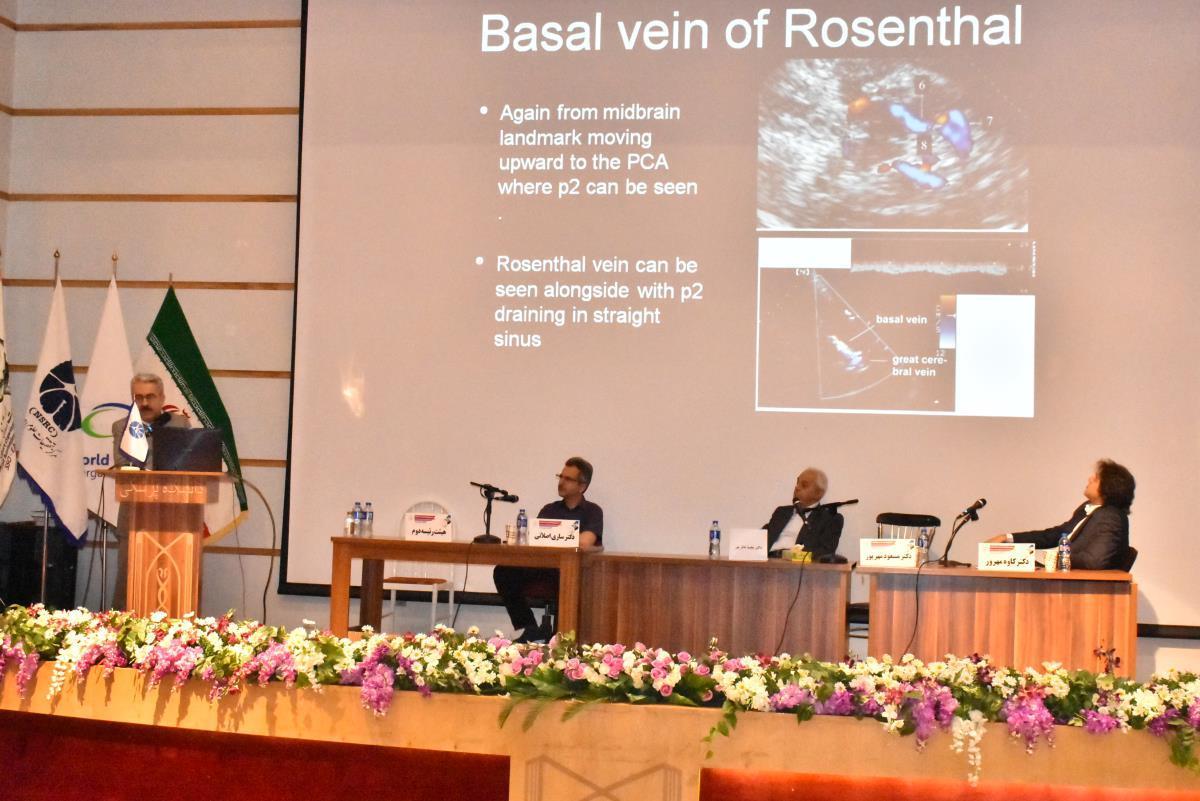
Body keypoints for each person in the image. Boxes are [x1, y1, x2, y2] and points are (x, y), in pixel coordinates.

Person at [493, 456, 602, 643]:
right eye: (561, 476)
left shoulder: (592, 511)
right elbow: (535, 539)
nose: (561, 482)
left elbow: (586, 542)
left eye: (568, 479)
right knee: (504, 571)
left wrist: (558, 536)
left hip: (572, 571)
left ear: (582, 486)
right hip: (544, 567)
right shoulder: (549, 510)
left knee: (567, 578)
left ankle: (560, 638)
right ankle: (528, 628)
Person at [108, 373, 191, 608]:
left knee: (170, 585)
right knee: (128, 585)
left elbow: (187, 462)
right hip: (134, 517)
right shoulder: (122, 427)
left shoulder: (179, 425)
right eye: (139, 397)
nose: (144, 403)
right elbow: (124, 465)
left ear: (162, 398)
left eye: (150, 397)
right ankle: (122, 627)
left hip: (172, 519)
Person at [989, 459, 1135, 570]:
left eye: (1096, 478)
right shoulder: (1088, 508)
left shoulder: (1111, 517)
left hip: (1086, 590)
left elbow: (1094, 561)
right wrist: (1008, 538)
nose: (1090, 478)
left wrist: (1055, 558)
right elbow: (1054, 535)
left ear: (1109, 487)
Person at [763, 467, 844, 558]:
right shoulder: (781, 512)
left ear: (818, 493)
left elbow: (825, 551)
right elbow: (762, 539)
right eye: (797, 482)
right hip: (767, 560)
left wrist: (791, 556)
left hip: (795, 563)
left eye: (804, 485)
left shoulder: (830, 519)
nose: (797, 487)